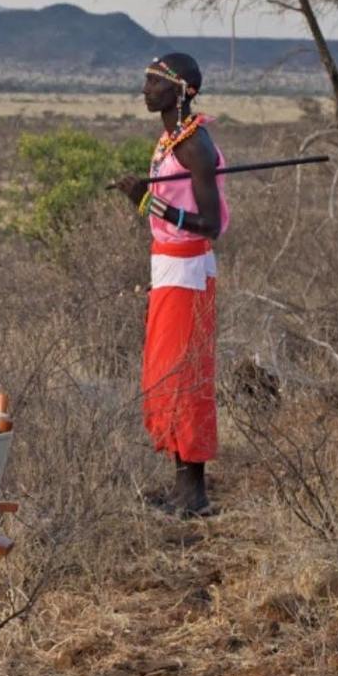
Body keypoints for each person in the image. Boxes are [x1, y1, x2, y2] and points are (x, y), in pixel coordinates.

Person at [112, 53, 228, 517]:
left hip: (188, 271)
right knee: (167, 376)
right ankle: (183, 488)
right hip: (169, 268)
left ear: (181, 91)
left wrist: (147, 202)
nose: (145, 89)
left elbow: (210, 224)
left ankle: (194, 495)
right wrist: (145, 201)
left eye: (154, 81)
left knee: (185, 376)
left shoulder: (194, 145)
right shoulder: (171, 139)